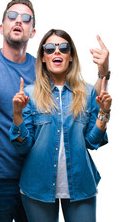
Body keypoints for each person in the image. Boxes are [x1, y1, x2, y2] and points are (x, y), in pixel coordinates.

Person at [0, 0, 109, 222]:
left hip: (39, 177)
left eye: (26, 18)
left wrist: (103, 73)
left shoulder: (45, 72)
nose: (18, 21)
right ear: (2, 27)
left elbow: (80, 101)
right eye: (12, 16)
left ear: (32, 32)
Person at [10, 29, 112, 222]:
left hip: (81, 185)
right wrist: (17, 115)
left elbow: (92, 142)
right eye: (49, 48)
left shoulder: (87, 92)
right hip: (37, 186)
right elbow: (23, 146)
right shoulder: (29, 94)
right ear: (42, 58)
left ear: (71, 56)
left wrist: (104, 113)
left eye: (63, 47)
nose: (56, 51)